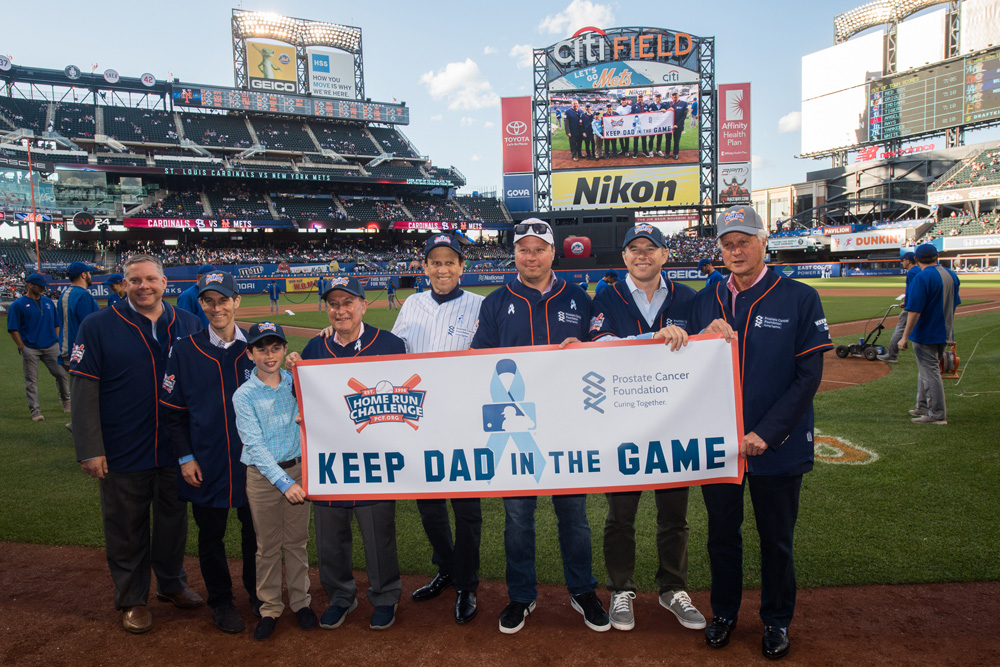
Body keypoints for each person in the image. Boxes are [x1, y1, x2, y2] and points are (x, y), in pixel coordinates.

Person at [686, 206, 833, 660]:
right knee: (721, 536)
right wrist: (689, 336)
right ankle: (724, 613)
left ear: (763, 242)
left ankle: (775, 621)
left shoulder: (798, 296)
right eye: (728, 243)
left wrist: (767, 433)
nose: (735, 250)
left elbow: (808, 377)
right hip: (721, 445)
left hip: (777, 445)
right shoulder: (704, 299)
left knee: (776, 539)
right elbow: (682, 368)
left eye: (744, 240)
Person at [470, 218, 610, 635]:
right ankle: (521, 595)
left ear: (553, 253)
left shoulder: (580, 299)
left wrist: (586, 349)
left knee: (575, 517)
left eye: (539, 249)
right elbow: (478, 363)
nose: (531, 256)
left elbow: (604, 353)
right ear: (515, 254)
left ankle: (582, 589)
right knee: (518, 518)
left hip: (568, 426)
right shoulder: (495, 301)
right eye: (523, 249)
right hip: (514, 427)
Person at [70, 255, 204, 634]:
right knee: (126, 527)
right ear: (123, 284)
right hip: (122, 446)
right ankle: (132, 599)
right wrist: (90, 448)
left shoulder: (189, 323)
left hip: (176, 449)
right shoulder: (98, 325)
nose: (143, 286)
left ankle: (172, 583)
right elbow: (83, 391)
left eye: (150, 279)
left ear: (165, 282)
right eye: (134, 280)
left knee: (172, 523)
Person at [590, 224, 704, 632]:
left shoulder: (689, 297)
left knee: (674, 515)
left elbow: (710, 344)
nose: (642, 255)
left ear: (664, 254)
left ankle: (673, 587)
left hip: (676, 424)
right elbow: (599, 347)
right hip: (624, 425)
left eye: (650, 248)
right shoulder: (607, 296)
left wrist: (711, 333)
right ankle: (621, 588)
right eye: (634, 249)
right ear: (624, 257)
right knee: (621, 515)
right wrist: (654, 338)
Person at [294, 276, 407, 631]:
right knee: (331, 537)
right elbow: (304, 400)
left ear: (363, 305)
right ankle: (341, 596)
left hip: (375, 457)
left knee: (378, 534)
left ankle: (385, 596)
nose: (340, 310)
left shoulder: (390, 344)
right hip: (329, 458)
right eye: (333, 304)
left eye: (347, 303)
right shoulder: (315, 348)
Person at [160, 271, 266, 634]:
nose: (217, 307)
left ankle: (259, 595)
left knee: (257, 536)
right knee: (211, 537)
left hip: (255, 461)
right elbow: (173, 414)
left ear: (237, 301)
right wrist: (185, 457)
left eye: (223, 299)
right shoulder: (185, 348)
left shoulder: (259, 347)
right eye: (209, 300)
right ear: (201, 303)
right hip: (207, 460)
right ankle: (221, 601)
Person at [392, 234, 484, 624]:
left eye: (450, 261)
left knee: (465, 508)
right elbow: (391, 353)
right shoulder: (412, 304)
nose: (443, 268)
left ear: (462, 266)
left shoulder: (481, 304)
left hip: (463, 418)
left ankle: (467, 583)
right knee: (429, 507)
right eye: (435, 261)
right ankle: (446, 568)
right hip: (419, 418)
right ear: (424, 267)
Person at [233, 321, 314, 641]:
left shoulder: (297, 383)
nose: (270, 355)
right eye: (262, 348)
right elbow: (254, 445)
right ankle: (269, 607)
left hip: (296, 470)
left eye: (276, 347)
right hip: (264, 477)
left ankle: (301, 602)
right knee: (267, 547)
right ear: (250, 353)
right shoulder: (244, 395)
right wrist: (284, 483)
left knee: (296, 543)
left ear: (284, 349)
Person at [898, 243, 960, 425]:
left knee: (930, 372)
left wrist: (904, 337)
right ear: (936, 256)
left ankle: (937, 414)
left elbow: (915, 311)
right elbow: (954, 304)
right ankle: (922, 406)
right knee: (926, 370)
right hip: (944, 331)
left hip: (926, 332)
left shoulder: (922, 277)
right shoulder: (952, 275)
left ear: (916, 259)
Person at [7, 273, 70, 421]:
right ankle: (35, 411)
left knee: (61, 374)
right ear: (29, 285)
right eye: (40, 286)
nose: (43, 289)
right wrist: (22, 347)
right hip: (30, 348)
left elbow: (56, 324)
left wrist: (55, 340)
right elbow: (13, 329)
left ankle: (66, 401)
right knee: (31, 381)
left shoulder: (48, 302)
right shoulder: (18, 305)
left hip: (50, 346)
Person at [878, 252, 919, 363]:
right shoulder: (919, 270)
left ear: (909, 260)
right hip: (920, 306)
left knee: (900, 328)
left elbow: (912, 291)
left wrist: (907, 303)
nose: (902, 263)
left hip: (912, 308)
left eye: (903, 260)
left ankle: (892, 355)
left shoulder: (912, 272)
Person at [58, 262, 100, 366]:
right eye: (89, 273)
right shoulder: (83, 295)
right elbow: (90, 326)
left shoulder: (65, 293)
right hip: (81, 352)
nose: (90, 276)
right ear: (83, 275)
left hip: (67, 349)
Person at [176, 264, 215, 328]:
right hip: (197, 336)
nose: (211, 280)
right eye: (208, 277)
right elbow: (183, 322)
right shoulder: (188, 295)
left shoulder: (211, 293)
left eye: (214, 277)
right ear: (198, 277)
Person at [667, 91, 692, 160]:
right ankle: (667, 153)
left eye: (675, 95)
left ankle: (675, 154)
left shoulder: (683, 103)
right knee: (668, 140)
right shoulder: (668, 104)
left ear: (678, 95)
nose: (674, 96)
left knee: (676, 141)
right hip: (669, 126)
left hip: (678, 126)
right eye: (673, 95)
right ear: (671, 96)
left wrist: (677, 124)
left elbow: (684, 116)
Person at [630, 94, 651, 158]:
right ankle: (635, 152)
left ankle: (645, 151)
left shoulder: (646, 105)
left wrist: (648, 113)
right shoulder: (634, 106)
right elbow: (631, 115)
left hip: (644, 125)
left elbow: (650, 114)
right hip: (636, 125)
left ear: (643, 98)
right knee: (635, 139)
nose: (640, 99)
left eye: (641, 97)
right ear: (637, 98)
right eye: (639, 97)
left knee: (644, 139)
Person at [651, 93, 669, 157]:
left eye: (659, 97)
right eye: (657, 97)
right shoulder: (651, 105)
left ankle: (658, 150)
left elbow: (668, 112)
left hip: (661, 124)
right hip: (652, 124)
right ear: (654, 98)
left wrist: (665, 111)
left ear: (661, 98)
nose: (658, 98)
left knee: (659, 138)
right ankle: (650, 150)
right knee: (651, 138)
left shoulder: (664, 105)